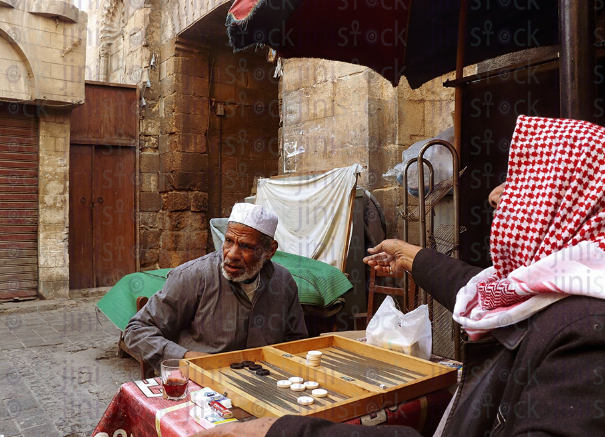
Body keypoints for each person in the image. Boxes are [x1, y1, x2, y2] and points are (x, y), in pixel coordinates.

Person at [192, 115, 605, 437]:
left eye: (520, 181)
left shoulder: (587, 337)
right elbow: (479, 286)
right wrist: (410, 255)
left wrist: (290, 430)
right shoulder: (550, 296)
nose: (497, 196)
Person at [124, 203, 308, 370]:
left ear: (270, 251)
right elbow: (136, 331)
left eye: (245, 246)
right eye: (228, 241)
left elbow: (297, 341)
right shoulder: (193, 276)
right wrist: (185, 356)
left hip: (264, 383)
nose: (232, 254)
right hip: (201, 386)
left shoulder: (283, 282)